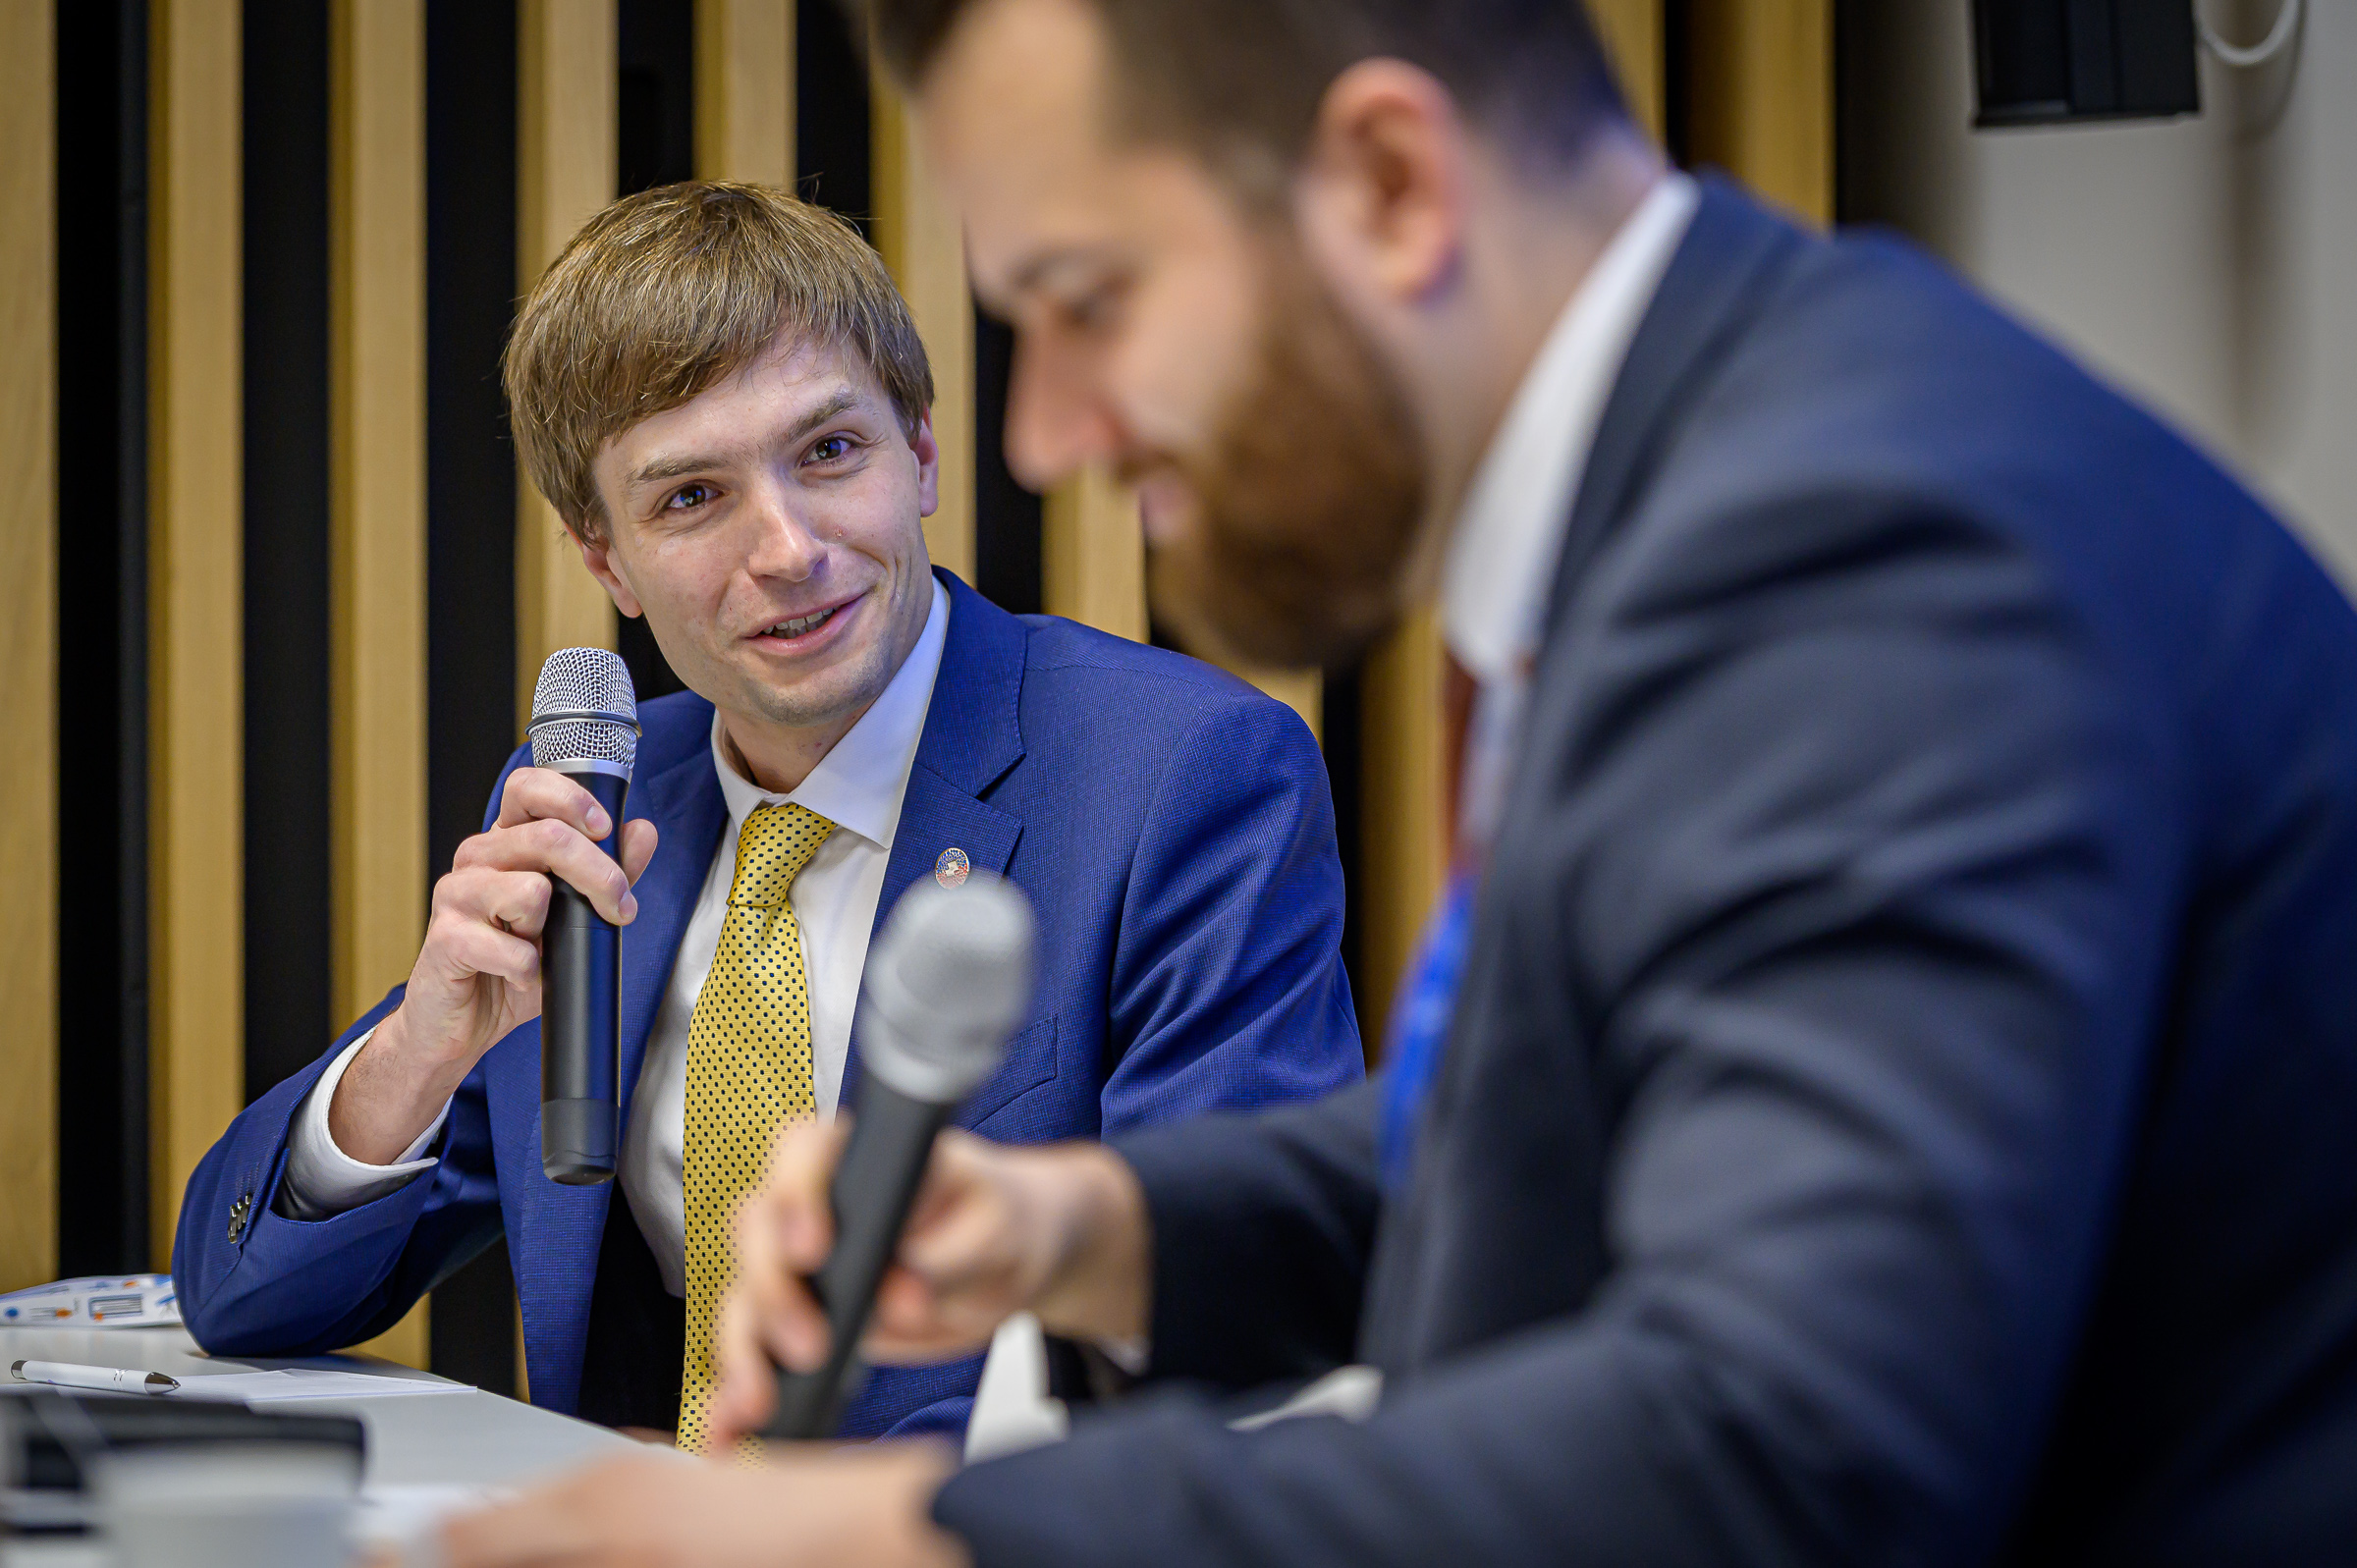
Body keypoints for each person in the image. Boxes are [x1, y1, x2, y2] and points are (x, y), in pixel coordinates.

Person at [442, 0, 2357, 1562]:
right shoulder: (1735, 468)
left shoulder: (1862, 546)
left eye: (1089, 298)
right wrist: (1094, 1228)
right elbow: (1578, 1130)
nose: (1047, 430)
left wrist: (917, 1536)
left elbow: (1783, 1450)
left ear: (1387, 181)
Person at [171, 182, 1362, 1448]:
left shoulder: (1183, 775)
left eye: (829, 452)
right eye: (692, 497)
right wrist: (424, 1046)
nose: (788, 548)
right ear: (605, 561)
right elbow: (238, 1293)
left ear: (920, 452)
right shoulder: (601, 800)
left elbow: (1242, 1320)